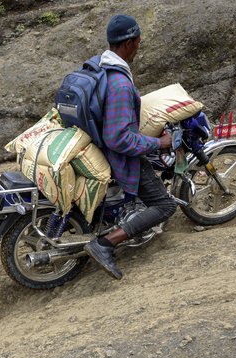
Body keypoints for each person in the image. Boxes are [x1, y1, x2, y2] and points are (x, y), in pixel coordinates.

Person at [83, 14, 176, 279]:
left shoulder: (100, 66)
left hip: (96, 144)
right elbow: (119, 138)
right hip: (117, 156)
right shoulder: (120, 83)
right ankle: (104, 244)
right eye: (138, 42)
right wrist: (158, 142)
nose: (139, 47)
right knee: (165, 206)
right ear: (129, 43)